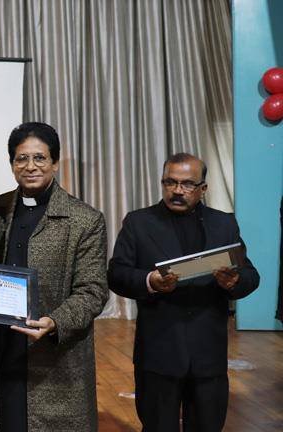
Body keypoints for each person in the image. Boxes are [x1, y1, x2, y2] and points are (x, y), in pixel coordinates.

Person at [108, 153, 260, 431]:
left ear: (203, 188)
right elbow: (116, 274)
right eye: (170, 182)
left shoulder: (224, 223)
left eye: (188, 184)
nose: (177, 191)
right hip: (159, 353)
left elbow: (251, 276)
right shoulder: (138, 222)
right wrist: (150, 281)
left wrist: (233, 282)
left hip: (209, 355)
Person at [0, 122, 109, 431]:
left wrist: (55, 322)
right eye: (21, 158)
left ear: (55, 163)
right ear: (12, 164)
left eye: (40, 158)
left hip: (56, 356)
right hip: (3, 350)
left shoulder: (84, 219)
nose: (30, 166)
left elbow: (93, 290)